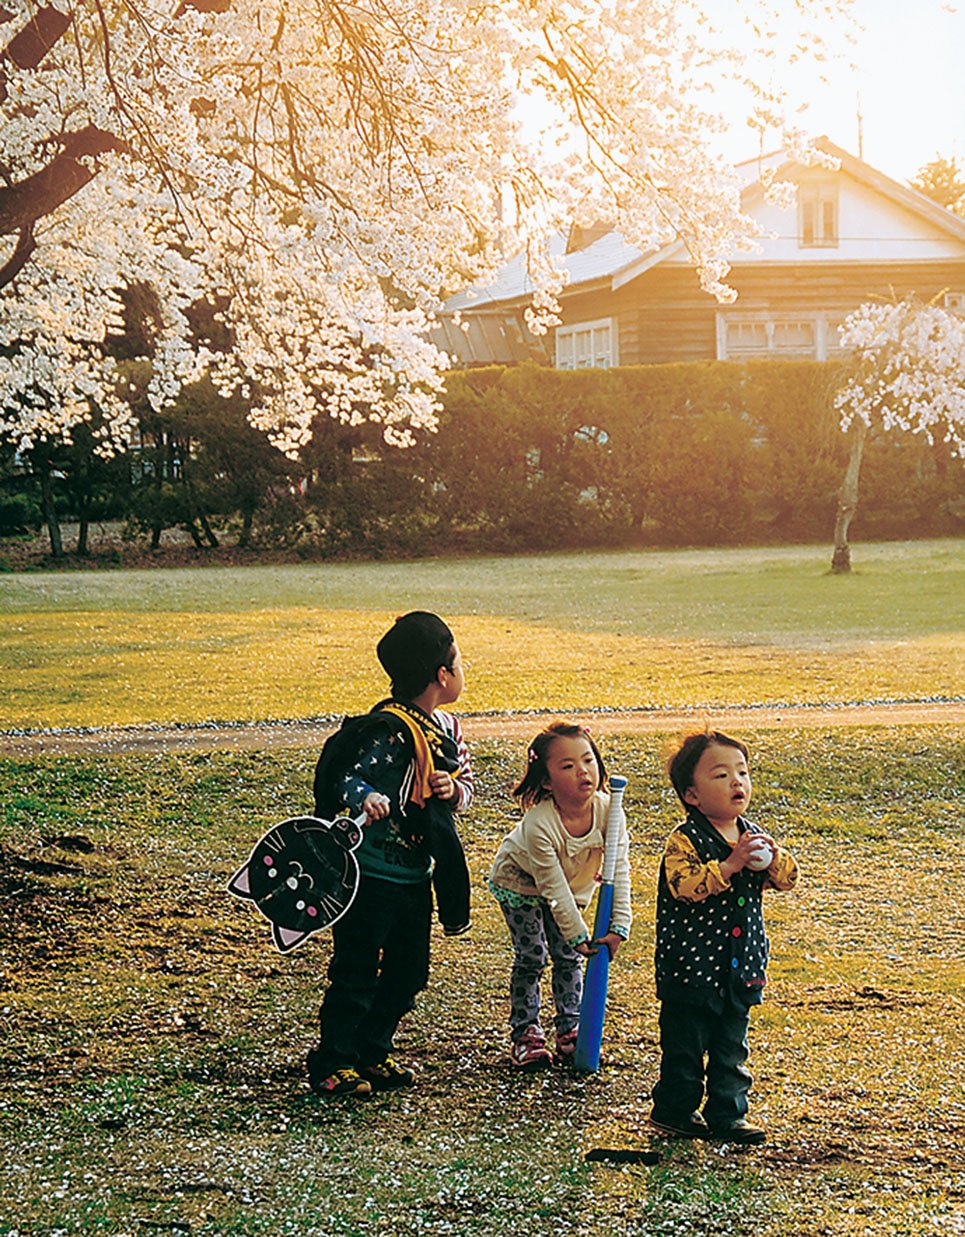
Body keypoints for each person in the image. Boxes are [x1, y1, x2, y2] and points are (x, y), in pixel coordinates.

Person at [307, 611, 474, 1099]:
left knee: (410, 970)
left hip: (416, 874)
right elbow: (346, 778)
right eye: (459, 662)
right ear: (441, 675)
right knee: (355, 969)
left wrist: (452, 790)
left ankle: (372, 1047)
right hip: (371, 876)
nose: (463, 670)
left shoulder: (447, 730)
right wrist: (366, 797)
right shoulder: (390, 731)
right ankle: (333, 1061)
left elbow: (467, 790)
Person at [649, 729, 799, 1145]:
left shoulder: (751, 834)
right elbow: (685, 885)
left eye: (742, 772)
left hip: (740, 965)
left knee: (732, 1045)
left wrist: (774, 859)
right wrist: (729, 866)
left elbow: (788, 880)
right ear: (692, 794)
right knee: (685, 1045)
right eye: (721, 775)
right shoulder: (684, 839)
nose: (736, 782)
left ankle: (728, 1113)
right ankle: (674, 1110)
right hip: (691, 966)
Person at [489, 722, 631, 1069]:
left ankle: (570, 1029)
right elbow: (551, 885)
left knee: (569, 957)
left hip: (567, 887)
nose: (582, 771)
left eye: (588, 761)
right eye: (567, 766)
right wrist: (577, 933)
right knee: (533, 956)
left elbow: (620, 869)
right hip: (519, 883)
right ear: (547, 780)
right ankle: (526, 1034)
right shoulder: (540, 823)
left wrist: (620, 924)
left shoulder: (610, 811)